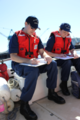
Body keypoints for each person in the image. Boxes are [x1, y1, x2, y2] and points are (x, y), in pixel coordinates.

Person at [9, 16, 65, 120]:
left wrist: (46, 56)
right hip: (20, 64)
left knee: (52, 63)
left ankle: (51, 93)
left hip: (33, 63)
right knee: (33, 71)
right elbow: (13, 56)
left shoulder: (36, 38)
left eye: (35, 28)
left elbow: (41, 51)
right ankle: (24, 105)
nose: (34, 30)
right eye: (32, 28)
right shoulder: (16, 36)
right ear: (26, 24)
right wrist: (28, 61)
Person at [45, 23, 80, 96]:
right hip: (55, 58)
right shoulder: (53, 38)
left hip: (65, 57)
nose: (66, 33)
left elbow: (72, 49)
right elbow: (47, 52)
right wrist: (58, 55)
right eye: (64, 32)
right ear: (59, 29)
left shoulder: (68, 37)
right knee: (68, 62)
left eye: (67, 32)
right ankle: (64, 84)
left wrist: (75, 53)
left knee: (78, 59)